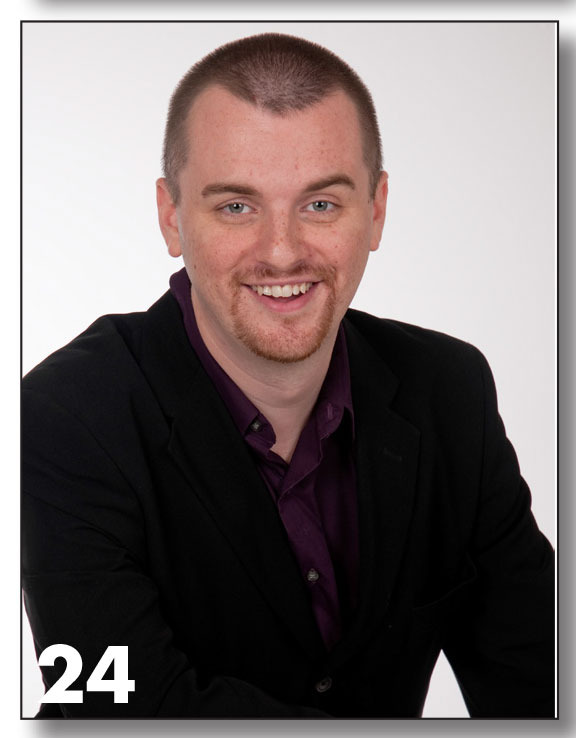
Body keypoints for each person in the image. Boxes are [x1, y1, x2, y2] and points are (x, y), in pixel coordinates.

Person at [22, 33, 554, 718]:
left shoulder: (449, 393)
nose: (281, 252)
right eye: (236, 206)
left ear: (376, 212)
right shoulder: (61, 419)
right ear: (171, 217)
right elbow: (119, 712)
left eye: (321, 204)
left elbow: (543, 676)